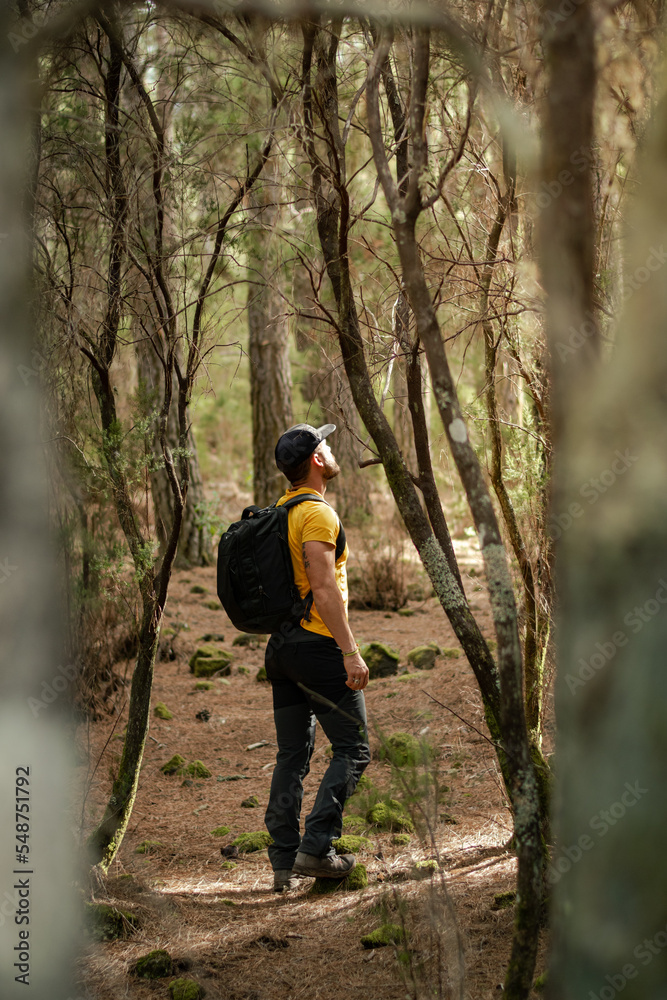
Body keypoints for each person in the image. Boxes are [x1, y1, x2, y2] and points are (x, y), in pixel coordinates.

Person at [263, 423, 371, 892]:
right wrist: (350, 652)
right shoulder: (317, 515)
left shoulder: (277, 512)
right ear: (316, 461)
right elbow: (325, 590)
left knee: (292, 754)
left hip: (281, 650)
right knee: (354, 748)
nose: (331, 448)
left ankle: (283, 863)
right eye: (325, 445)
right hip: (318, 649)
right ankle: (317, 846)